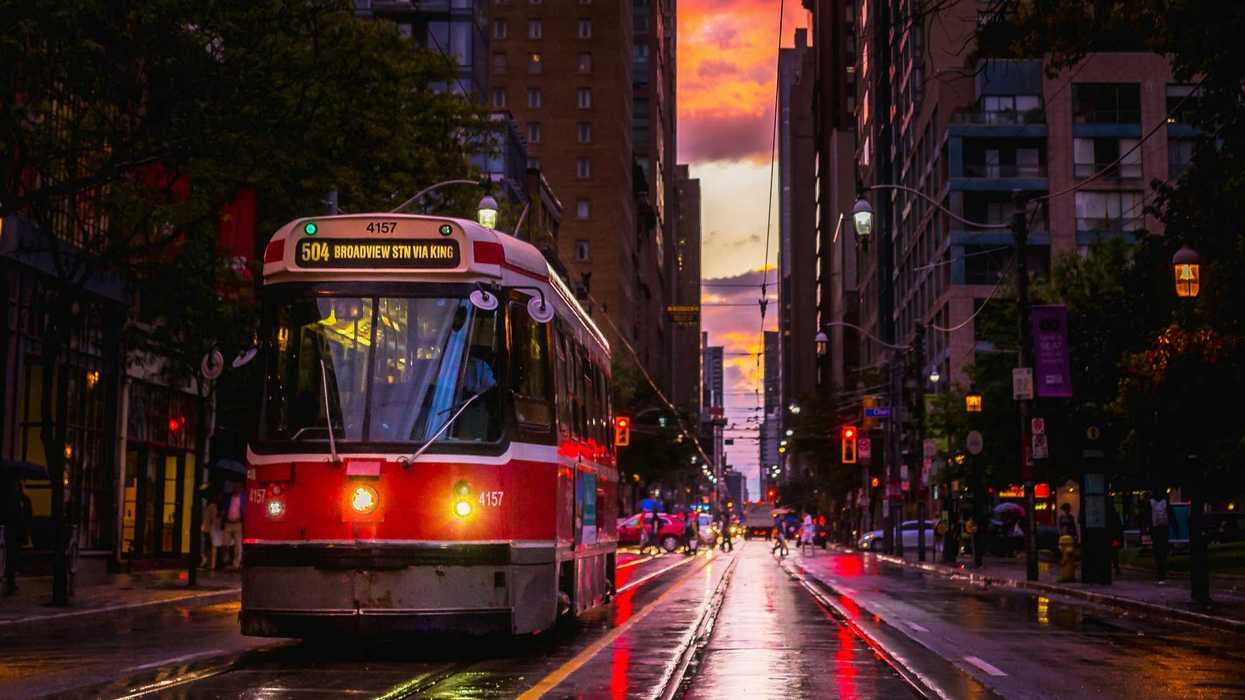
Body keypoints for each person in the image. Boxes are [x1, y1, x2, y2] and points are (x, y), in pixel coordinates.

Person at [2, 478, 32, 595]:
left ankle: (11, 581)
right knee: (11, 558)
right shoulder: (15, 499)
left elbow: (28, 514)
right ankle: (10, 581)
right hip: (13, 532)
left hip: (17, 533)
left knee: (13, 558)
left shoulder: (22, 499)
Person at [222, 483, 244, 569]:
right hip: (228, 523)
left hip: (238, 524)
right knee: (225, 544)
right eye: (235, 488)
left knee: (238, 545)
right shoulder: (228, 498)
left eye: (238, 488)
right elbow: (225, 508)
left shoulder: (243, 498)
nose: (237, 490)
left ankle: (236, 564)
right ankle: (225, 561)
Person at [1151, 492, 1170, 582]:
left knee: (1158, 551)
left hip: (1155, 530)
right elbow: (1171, 514)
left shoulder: (1151, 502)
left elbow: (1147, 516)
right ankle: (1162, 572)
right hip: (1164, 529)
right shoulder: (1165, 502)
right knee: (1163, 551)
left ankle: (1160, 573)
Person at [1107, 504, 1123, 576]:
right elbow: (1119, 526)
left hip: (1110, 536)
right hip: (1114, 537)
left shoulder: (1107, 515)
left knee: (1111, 552)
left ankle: (1114, 567)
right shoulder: (1116, 515)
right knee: (1114, 552)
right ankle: (1116, 568)